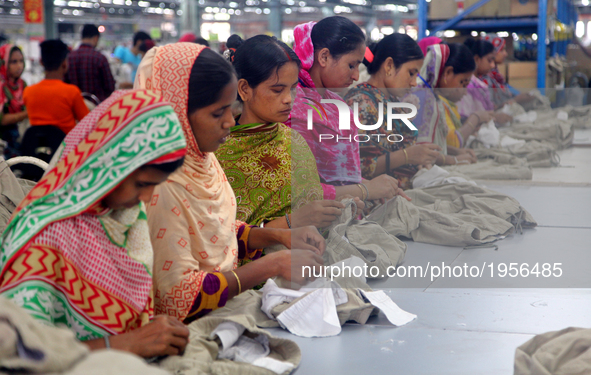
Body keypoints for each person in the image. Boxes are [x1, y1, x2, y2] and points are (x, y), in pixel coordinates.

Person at [135, 43, 325, 322]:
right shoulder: (161, 185)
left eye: (229, 109)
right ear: (177, 109)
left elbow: (216, 230)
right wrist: (270, 265)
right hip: (190, 324)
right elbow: (179, 301)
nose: (228, 122)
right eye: (217, 113)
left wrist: (276, 236)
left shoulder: (203, 160)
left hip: (228, 305)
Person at [0, 89, 191, 358]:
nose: (146, 198)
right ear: (108, 165)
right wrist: (126, 344)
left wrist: (149, 332)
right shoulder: (44, 236)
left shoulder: (124, 216)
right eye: (142, 184)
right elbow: (17, 353)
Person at [215, 34, 348, 230]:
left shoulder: (293, 139)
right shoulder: (221, 152)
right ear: (244, 89)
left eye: (293, 88)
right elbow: (220, 234)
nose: (288, 99)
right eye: (277, 90)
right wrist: (290, 223)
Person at [287, 16, 408, 203]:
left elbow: (343, 175)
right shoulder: (295, 107)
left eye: (358, 66)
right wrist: (365, 190)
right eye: (351, 65)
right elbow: (301, 189)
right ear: (324, 57)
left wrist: (377, 187)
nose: (355, 75)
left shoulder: (335, 104)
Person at [344, 33, 441, 189]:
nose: (414, 82)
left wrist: (418, 161)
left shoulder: (390, 101)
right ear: (389, 66)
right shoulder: (361, 103)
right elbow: (356, 168)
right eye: (411, 73)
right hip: (379, 202)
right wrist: (407, 156)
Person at [414, 43, 490, 164]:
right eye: (462, 82)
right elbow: (419, 152)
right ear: (448, 72)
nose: (464, 91)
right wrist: (453, 159)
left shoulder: (431, 95)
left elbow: (433, 144)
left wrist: (455, 152)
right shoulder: (422, 97)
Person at [24, 39, 90, 135]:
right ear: (64, 63)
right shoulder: (71, 92)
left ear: (41, 62)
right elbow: (88, 125)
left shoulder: (28, 92)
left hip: (37, 148)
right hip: (67, 148)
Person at [458, 38, 512, 124]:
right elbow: (466, 118)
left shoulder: (480, 83)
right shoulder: (468, 85)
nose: (492, 65)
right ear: (476, 59)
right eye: (489, 60)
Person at [65, 24, 116, 103]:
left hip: (74, 107)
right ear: (96, 38)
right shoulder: (100, 58)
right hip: (97, 108)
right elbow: (110, 87)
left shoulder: (68, 58)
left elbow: (64, 83)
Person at [0, 44, 27, 158]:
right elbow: (2, 120)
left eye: (21, 61)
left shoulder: (22, 85)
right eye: (14, 62)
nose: (19, 65)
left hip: (19, 137)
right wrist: (27, 114)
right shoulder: (1, 86)